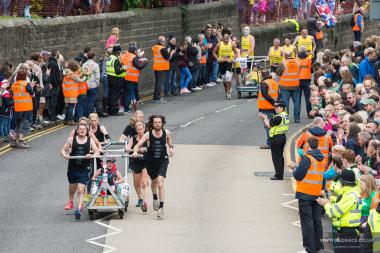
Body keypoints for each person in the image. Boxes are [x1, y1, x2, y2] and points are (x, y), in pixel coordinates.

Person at [132, 115, 174, 219]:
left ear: (162, 123)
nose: (157, 124)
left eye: (159, 122)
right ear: (152, 123)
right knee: (154, 182)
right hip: (151, 162)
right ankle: (155, 197)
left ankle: (161, 207)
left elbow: (169, 139)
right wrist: (135, 151)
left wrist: (171, 148)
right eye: (155, 122)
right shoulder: (148, 134)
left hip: (163, 160)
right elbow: (137, 145)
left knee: (160, 183)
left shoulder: (166, 132)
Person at [292, 137, 325, 253]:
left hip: (305, 193)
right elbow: (322, 177)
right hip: (317, 194)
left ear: (309, 146)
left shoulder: (307, 159)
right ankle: (318, 246)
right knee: (317, 221)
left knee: (307, 222)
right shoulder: (322, 159)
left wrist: (294, 168)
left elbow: (298, 175)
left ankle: (309, 249)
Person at [317, 169, 362, 253]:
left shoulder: (349, 195)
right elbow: (340, 204)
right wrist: (328, 200)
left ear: (343, 183)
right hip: (350, 233)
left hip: (346, 234)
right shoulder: (352, 192)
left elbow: (333, 212)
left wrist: (325, 204)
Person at [61, 124, 100, 221]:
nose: (82, 131)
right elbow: (62, 150)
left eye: (84, 129)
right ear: (77, 131)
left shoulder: (90, 140)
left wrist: (91, 155)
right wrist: (65, 155)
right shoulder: (71, 140)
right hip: (73, 168)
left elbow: (97, 151)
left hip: (84, 168)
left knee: (80, 189)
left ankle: (78, 209)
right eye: (80, 129)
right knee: (73, 188)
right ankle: (71, 201)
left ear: (87, 131)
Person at [259, 101, 289, 180]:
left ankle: (278, 175)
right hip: (282, 137)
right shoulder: (285, 115)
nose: (275, 108)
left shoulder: (278, 117)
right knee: (280, 157)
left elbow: (268, 125)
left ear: (282, 107)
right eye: (275, 107)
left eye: (277, 107)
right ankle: (280, 174)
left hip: (276, 138)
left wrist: (264, 118)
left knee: (276, 158)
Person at [125, 121, 149, 212]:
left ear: (144, 129)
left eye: (141, 129)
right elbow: (128, 148)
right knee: (137, 183)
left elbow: (150, 148)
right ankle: (140, 198)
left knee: (144, 183)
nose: (139, 131)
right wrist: (128, 149)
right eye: (138, 129)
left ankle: (145, 202)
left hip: (145, 162)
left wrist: (144, 149)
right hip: (135, 162)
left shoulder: (147, 138)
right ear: (136, 130)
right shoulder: (133, 138)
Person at [120, 43, 148, 112]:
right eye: (136, 50)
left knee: (125, 92)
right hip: (131, 77)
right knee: (129, 93)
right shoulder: (133, 57)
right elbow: (139, 66)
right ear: (134, 51)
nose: (136, 51)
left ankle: (123, 106)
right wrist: (145, 62)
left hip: (124, 76)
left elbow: (129, 64)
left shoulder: (124, 55)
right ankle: (126, 108)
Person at [11, 68, 34, 149]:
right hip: (26, 107)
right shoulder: (26, 84)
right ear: (25, 76)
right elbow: (32, 94)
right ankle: (20, 142)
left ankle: (13, 141)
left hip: (17, 107)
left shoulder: (13, 85)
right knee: (24, 124)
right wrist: (32, 87)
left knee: (18, 124)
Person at [213, 29, 238, 99]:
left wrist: (233, 58)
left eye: (227, 37)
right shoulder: (219, 44)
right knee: (224, 79)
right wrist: (217, 58)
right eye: (225, 37)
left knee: (228, 77)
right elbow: (214, 52)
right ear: (222, 38)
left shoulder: (232, 44)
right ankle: (227, 89)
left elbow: (236, 53)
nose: (226, 38)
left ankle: (228, 92)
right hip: (221, 63)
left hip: (228, 62)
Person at [278, 51, 301, 123]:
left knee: (285, 103)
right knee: (296, 102)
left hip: (285, 86)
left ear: (285, 55)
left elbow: (278, 72)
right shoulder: (298, 62)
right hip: (296, 85)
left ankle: (285, 119)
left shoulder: (283, 63)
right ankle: (297, 118)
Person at [258, 70, 279, 149]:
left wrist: (273, 102)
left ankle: (270, 143)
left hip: (266, 107)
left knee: (268, 126)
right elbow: (279, 94)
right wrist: (276, 104)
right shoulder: (274, 82)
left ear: (262, 76)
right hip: (273, 108)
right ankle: (274, 142)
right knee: (273, 125)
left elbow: (264, 94)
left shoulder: (264, 83)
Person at [62, 61, 86, 125]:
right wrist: (86, 77)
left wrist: (83, 74)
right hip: (72, 93)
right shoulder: (72, 75)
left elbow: (78, 77)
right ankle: (71, 120)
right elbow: (80, 80)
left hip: (66, 93)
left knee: (67, 107)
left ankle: (66, 120)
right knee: (71, 107)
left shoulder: (66, 73)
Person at [106, 44, 126, 115]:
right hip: (116, 79)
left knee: (111, 94)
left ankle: (110, 110)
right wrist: (124, 68)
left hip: (110, 78)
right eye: (120, 51)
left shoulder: (109, 58)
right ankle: (114, 111)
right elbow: (117, 71)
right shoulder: (116, 60)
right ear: (118, 51)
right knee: (115, 95)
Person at [152, 36, 170, 103]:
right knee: (159, 83)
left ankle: (155, 97)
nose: (164, 42)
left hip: (156, 66)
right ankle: (158, 97)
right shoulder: (163, 48)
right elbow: (168, 57)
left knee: (157, 82)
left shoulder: (154, 47)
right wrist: (170, 52)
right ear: (160, 41)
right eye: (163, 41)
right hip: (162, 67)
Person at [83, 51, 100, 116]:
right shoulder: (95, 65)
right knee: (92, 100)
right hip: (93, 84)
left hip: (86, 84)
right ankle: (90, 113)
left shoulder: (84, 65)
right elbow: (97, 76)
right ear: (93, 57)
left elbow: (83, 74)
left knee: (87, 99)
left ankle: (87, 113)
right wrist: (98, 84)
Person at [298, 46, 312, 116]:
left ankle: (297, 115)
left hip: (298, 80)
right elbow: (311, 70)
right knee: (307, 97)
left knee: (298, 98)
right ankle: (309, 113)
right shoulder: (308, 60)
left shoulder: (297, 60)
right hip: (306, 80)